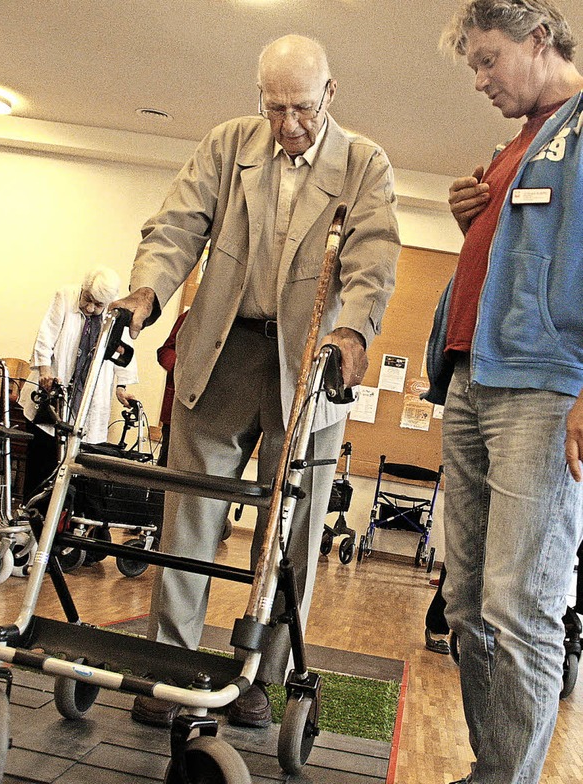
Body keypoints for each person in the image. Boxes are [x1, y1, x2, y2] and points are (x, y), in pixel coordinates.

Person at [116, 33, 400, 730]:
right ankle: (172, 669)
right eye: (275, 108)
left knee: (292, 535)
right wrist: (146, 293)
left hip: (311, 365)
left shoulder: (364, 163)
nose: (289, 125)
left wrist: (353, 331)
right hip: (223, 354)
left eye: (302, 108)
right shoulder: (229, 145)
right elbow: (177, 225)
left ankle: (255, 680)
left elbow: (374, 257)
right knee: (190, 516)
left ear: (329, 95)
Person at [430, 3, 583, 782]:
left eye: (489, 60)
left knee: (520, 609)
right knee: (466, 605)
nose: (481, 79)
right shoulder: (514, 147)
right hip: (471, 377)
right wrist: (474, 223)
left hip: (544, 390)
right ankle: (496, 769)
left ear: (539, 38)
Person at [19, 267, 139, 501]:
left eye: (98, 305)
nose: (90, 308)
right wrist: (45, 369)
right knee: (42, 460)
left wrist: (122, 388)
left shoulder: (116, 314)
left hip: (87, 399)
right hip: (52, 393)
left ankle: (61, 524)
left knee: (75, 466)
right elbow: (45, 335)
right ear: (83, 289)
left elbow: (124, 355)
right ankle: (30, 516)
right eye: (88, 300)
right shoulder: (66, 296)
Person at [155, 310, 187, 467]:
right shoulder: (190, 316)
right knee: (167, 463)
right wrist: (181, 367)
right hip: (177, 405)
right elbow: (164, 352)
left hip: (212, 413)